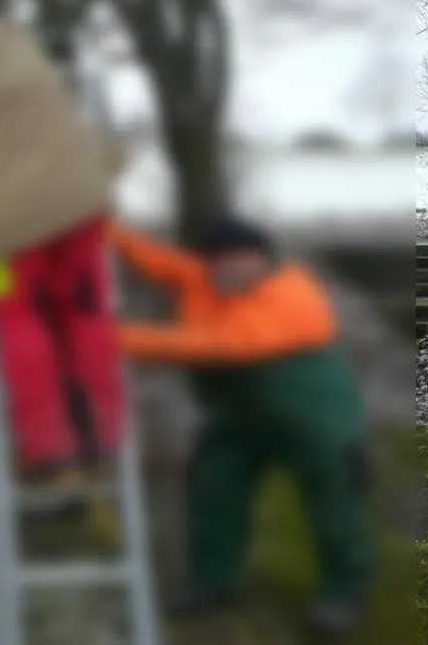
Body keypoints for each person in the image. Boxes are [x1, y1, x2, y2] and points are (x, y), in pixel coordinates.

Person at [108, 215, 372, 635]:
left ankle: (343, 594)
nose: (234, 267)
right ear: (210, 262)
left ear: (264, 260)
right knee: (213, 488)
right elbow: (158, 262)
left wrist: (109, 338)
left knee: (334, 510)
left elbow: (220, 343)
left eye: (245, 259)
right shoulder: (201, 278)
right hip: (240, 420)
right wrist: (106, 228)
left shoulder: (294, 295)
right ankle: (212, 584)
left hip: (316, 422)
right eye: (223, 260)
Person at [0, 0, 124, 497]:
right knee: (86, 312)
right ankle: (101, 437)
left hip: (5, 231)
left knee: (19, 322)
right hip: (78, 205)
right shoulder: (15, 43)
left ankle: (52, 452)